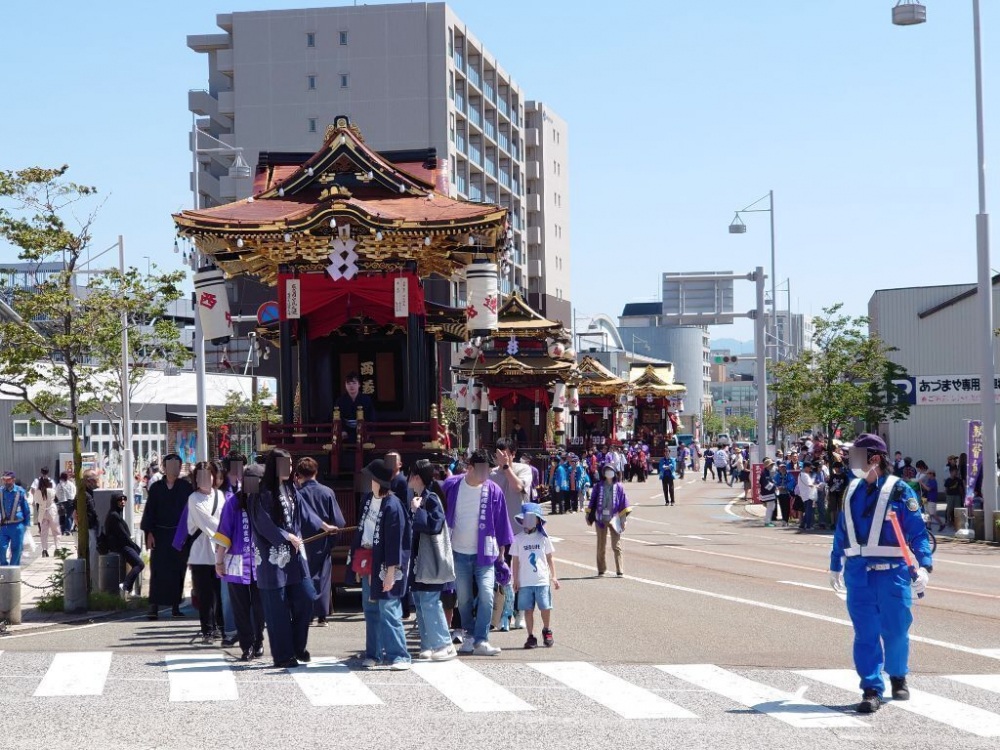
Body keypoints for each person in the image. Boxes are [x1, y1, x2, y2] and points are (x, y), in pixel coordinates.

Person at [829, 433, 933, 714]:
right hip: (858, 576)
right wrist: (835, 563)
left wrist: (925, 565)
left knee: (897, 631)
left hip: (893, 575)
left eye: (857, 455)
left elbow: (918, 533)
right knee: (865, 634)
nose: (851, 460)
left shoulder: (901, 491)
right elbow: (842, 531)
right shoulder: (852, 491)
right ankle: (871, 688)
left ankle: (898, 675)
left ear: (874, 458)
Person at [250, 449, 334, 668]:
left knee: (307, 598)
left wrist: (323, 526)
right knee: (276, 610)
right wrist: (286, 537)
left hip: (295, 557)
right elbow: (263, 523)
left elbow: (304, 511)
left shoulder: (290, 489)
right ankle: (283, 655)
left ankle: (298, 646)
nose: (289, 468)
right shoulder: (261, 492)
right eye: (285, 464)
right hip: (272, 560)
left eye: (290, 464)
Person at [439, 450, 513, 656]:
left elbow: (501, 521)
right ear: (469, 467)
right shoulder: (452, 485)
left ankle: (481, 639)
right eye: (481, 470)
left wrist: (502, 553)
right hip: (458, 552)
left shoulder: (493, 490)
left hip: (486, 554)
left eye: (488, 470)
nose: (485, 474)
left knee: (487, 595)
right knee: (462, 598)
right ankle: (469, 635)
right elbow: (438, 510)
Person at [351, 458, 412, 670]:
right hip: (369, 559)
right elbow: (362, 531)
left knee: (389, 608)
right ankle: (373, 654)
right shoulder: (368, 499)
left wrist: (391, 572)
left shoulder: (393, 506)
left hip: (387, 563)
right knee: (370, 609)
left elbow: (396, 542)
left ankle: (399, 655)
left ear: (378, 480)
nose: (367, 481)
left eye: (370, 477)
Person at [213, 464, 265, 661]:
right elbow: (223, 533)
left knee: (260, 608)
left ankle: (258, 640)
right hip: (236, 564)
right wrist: (219, 562)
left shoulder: (266, 501)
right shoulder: (233, 502)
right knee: (241, 609)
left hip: (261, 565)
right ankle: (247, 645)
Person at [408, 459, 457, 661]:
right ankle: (427, 644)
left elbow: (435, 525)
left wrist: (416, 511)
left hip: (430, 561)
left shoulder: (431, 498)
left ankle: (444, 644)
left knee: (429, 602)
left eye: (410, 474)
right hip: (422, 560)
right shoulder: (421, 497)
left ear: (417, 477)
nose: (408, 478)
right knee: (420, 602)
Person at [140, 454, 192, 620]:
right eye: (170, 465)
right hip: (160, 534)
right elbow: (149, 512)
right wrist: (149, 533)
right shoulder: (156, 488)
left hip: (180, 534)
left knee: (178, 570)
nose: (174, 468)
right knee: (157, 570)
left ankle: (176, 606)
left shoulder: (186, 487)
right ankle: (153, 606)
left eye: (177, 465)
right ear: (164, 467)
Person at [296, 457, 345, 627]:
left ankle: (308, 614)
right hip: (323, 539)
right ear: (316, 472)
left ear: (298, 474)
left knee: (304, 575)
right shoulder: (327, 492)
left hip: (301, 541)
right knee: (323, 576)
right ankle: (322, 615)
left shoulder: (297, 494)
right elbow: (339, 522)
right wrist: (332, 540)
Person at [490, 438, 532, 631]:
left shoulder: (523, 470)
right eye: (499, 453)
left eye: (506, 453)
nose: (501, 457)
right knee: (500, 574)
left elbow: (518, 488)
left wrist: (507, 467)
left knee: (518, 575)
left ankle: (519, 612)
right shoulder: (491, 474)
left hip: (518, 531)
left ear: (513, 454)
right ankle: (501, 613)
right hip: (497, 532)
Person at [187, 461, 226, 643]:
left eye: (208, 474)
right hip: (201, 552)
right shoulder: (193, 498)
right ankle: (208, 630)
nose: (204, 479)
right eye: (200, 475)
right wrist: (228, 536)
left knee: (221, 593)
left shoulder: (221, 496)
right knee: (205, 594)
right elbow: (207, 522)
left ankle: (221, 626)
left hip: (221, 551)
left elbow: (226, 518)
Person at [510, 502, 559, 648]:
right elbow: (515, 560)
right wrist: (515, 579)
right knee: (528, 609)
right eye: (527, 518)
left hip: (542, 579)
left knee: (545, 607)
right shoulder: (518, 539)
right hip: (525, 581)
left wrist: (554, 576)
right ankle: (531, 636)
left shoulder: (543, 538)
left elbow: (550, 558)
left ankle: (547, 629)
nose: (530, 521)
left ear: (538, 520)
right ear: (522, 519)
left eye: (533, 518)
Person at [586, 463, 630, 577]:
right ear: (603, 473)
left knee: (617, 545)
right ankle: (601, 569)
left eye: (611, 470)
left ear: (615, 472)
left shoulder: (619, 487)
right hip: (600, 518)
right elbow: (592, 501)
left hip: (614, 518)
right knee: (601, 545)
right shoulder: (598, 486)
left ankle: (620, 569)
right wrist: (588, 515)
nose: (609, 473)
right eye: (607, 470)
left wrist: (624, 519)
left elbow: (623, 503)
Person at [104, 492, 144, 597]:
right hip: (122, 546)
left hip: (122, 545)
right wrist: (134, 547)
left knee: (136, 564)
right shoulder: (114, 516)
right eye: (119, 500)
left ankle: (128, 590)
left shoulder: (115, 514)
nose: (122, 502)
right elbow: (122, 535)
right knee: (139, 564)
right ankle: (125, 586)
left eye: (124, 500)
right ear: (114, 502)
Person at [335, 372, 375, 443]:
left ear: (359, 384)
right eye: (348, 384)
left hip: (364, 429)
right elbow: (338, 418)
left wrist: (368, 431)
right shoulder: (340, 401)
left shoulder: (366, 399)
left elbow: (371, 417)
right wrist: (343, 430)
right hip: (346, 431)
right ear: (345, 385)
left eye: (354, 383)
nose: (351, 386)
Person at [0, 472, 31, 566]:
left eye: (8, 479)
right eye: (4, 479)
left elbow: (26, 508)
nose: (6, 481)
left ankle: (13, 569)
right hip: (3, 525)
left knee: (17, 548)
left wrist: (27, 524)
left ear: (13, 480)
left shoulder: (20, 491)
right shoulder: (0, 491)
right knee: (1, 547)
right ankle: (4, 566)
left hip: (17, 525)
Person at [33, 475, 60, 558]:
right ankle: (57, 548)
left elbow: (36, 501)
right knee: (56, 531)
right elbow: (56, 499)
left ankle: (44, 550)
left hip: (42, 512)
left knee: (44, 533)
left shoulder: (38, 491)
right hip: (52, 511)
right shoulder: (51, 490)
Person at [760, 458, 777, 526]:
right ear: (767, 465)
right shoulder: (764, 473)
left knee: (771, 506)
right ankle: (767, 522)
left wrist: (774, 484)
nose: (772, 466)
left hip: (769, 492)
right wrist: (774, 486)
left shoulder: (766, 472)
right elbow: (765, 483)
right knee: (770, 507)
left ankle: (768, 520)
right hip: (767, 492)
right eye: (771, 465)